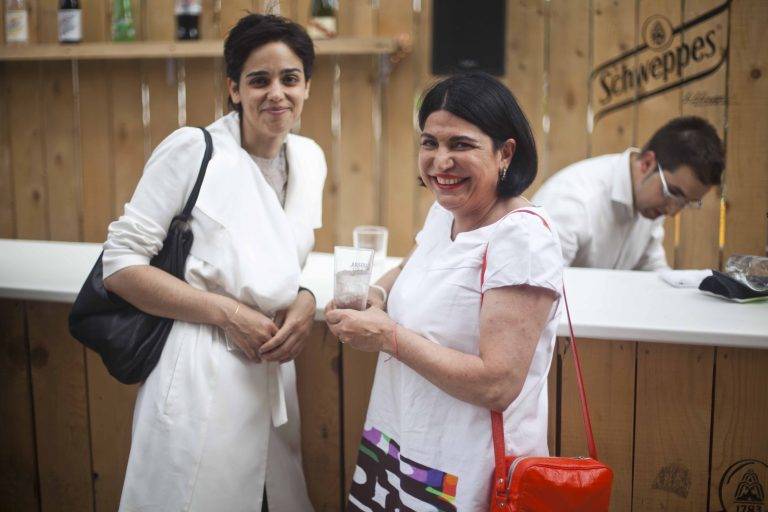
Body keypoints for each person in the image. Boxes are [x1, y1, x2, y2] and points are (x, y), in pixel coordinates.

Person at [103, 14, 325, 512]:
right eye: (259, 80)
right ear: (234, 88)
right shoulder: (195, 150)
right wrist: (228, 314)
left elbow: (286, 257)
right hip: (198, 367)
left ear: (307, 86)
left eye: (290, 79)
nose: (276, 93)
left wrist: (306, 299)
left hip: (270, 371)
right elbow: (119, 266)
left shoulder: (310, 159)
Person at [326, 73, 564, 511]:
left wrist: (386, 336)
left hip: (468, 469)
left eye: (460, 144)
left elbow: (497, 384)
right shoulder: (447, 213)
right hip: (402, 445)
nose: (440, 161)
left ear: (505, 152)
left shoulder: (522, 241)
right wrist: (376, 294)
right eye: (429, 143)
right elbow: (413, 266)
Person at [532, 116, 725, 270]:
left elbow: (652, 272)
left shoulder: (651, 203)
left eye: (685, 203)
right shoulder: (573, 201)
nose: (673, 211)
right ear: (647, 163)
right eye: (672, 192)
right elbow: (536, 291)